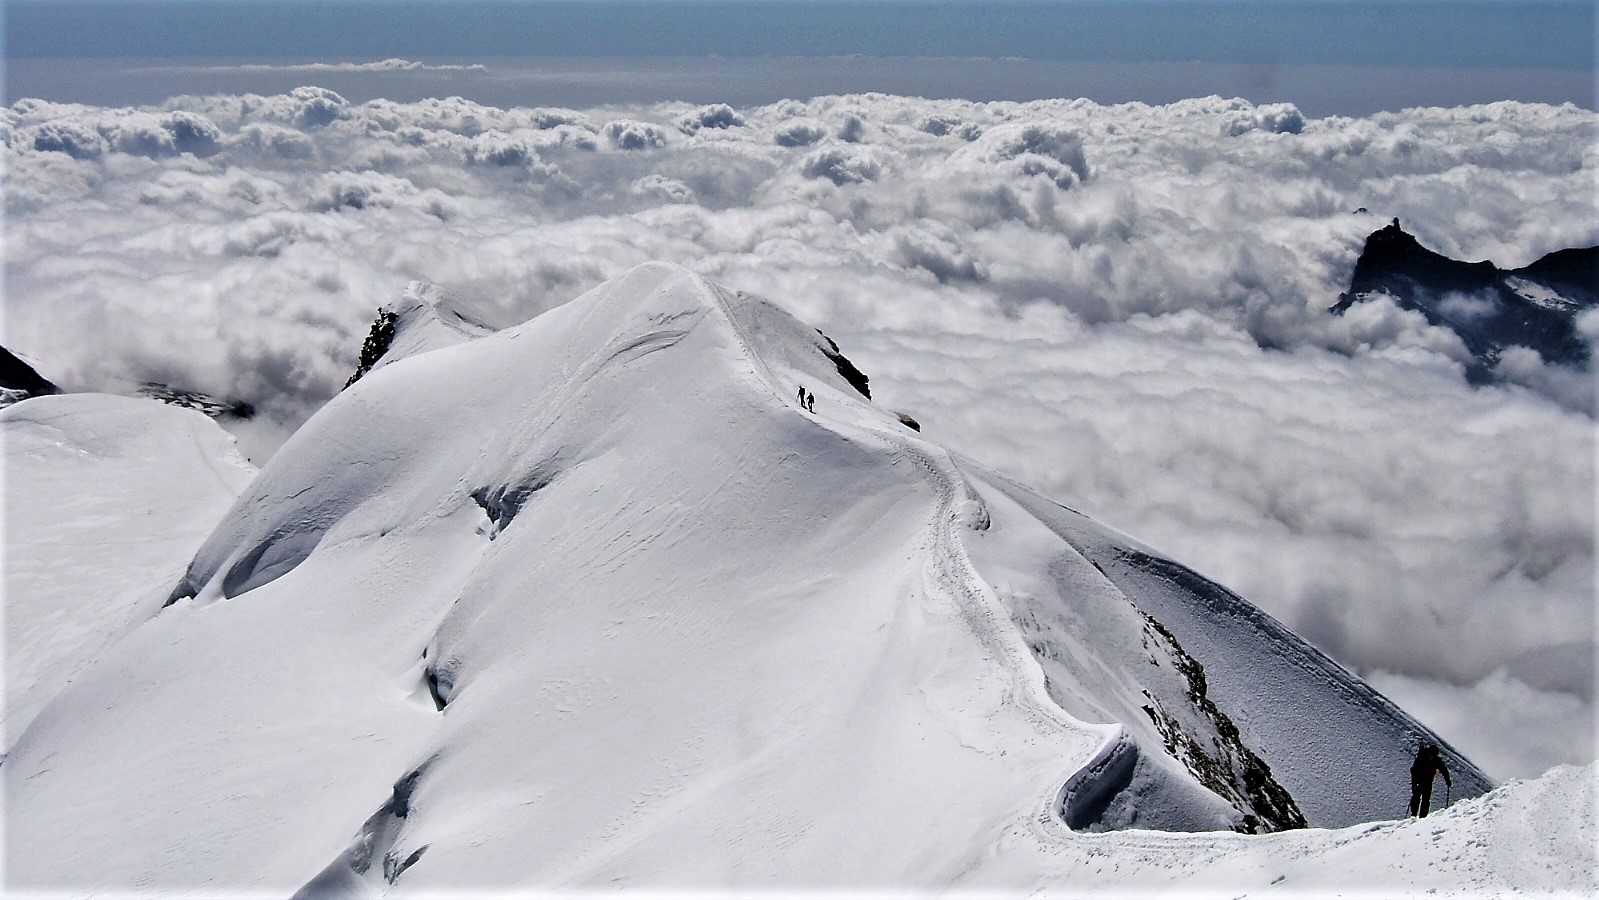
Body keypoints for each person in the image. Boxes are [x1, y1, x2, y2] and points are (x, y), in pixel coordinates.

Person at [1408, 742, 1452, 817]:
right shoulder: (1421, 757)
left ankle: (1423, 816)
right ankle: (1413, 815)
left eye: (1434, 755)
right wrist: (1416, 779)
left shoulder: (1437, 760)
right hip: (1418, 780)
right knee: (1416, 797)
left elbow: (1444, 770)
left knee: (1425, 799)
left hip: (1428, 781)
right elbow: (1413, 769)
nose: (1433, 757)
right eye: (1432, 755)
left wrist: (1447, 780)